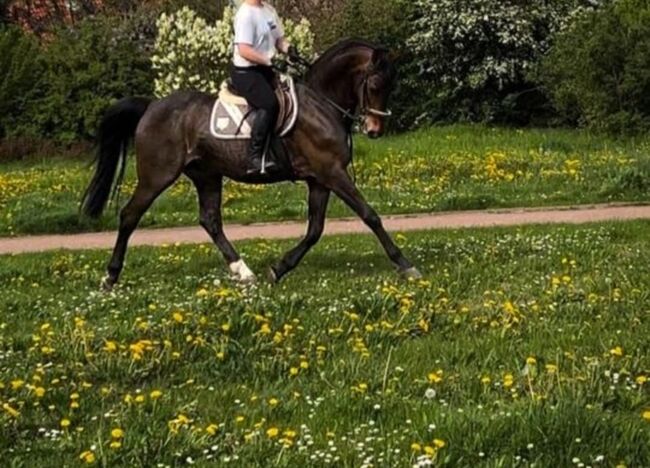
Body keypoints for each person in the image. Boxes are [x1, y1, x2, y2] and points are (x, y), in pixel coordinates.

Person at [230, 0, 295, 174]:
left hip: (265, 69)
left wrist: (289, 49)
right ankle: (254, 157)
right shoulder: (245, 14)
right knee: (269, 104)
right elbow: (244, 49)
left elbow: (279, 39)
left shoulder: (269, 10)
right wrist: (270, 60)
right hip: (246, 73)